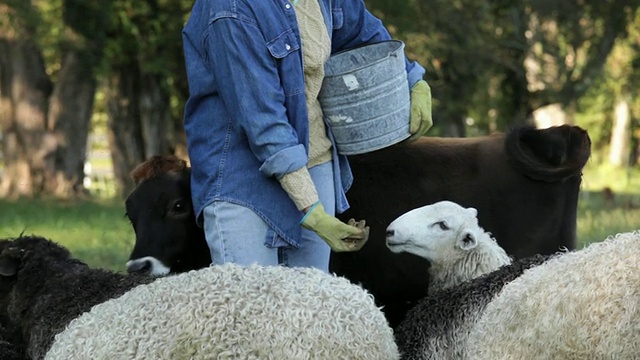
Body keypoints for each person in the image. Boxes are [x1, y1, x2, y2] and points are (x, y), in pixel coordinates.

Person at [181, 0, 433, 272]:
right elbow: (263, 120)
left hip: (315, 164)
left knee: (311, 309)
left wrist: (413, 80)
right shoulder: (229, 8)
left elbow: (365, 35)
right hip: (243, 181)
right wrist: (310, 209)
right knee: (250, 306)